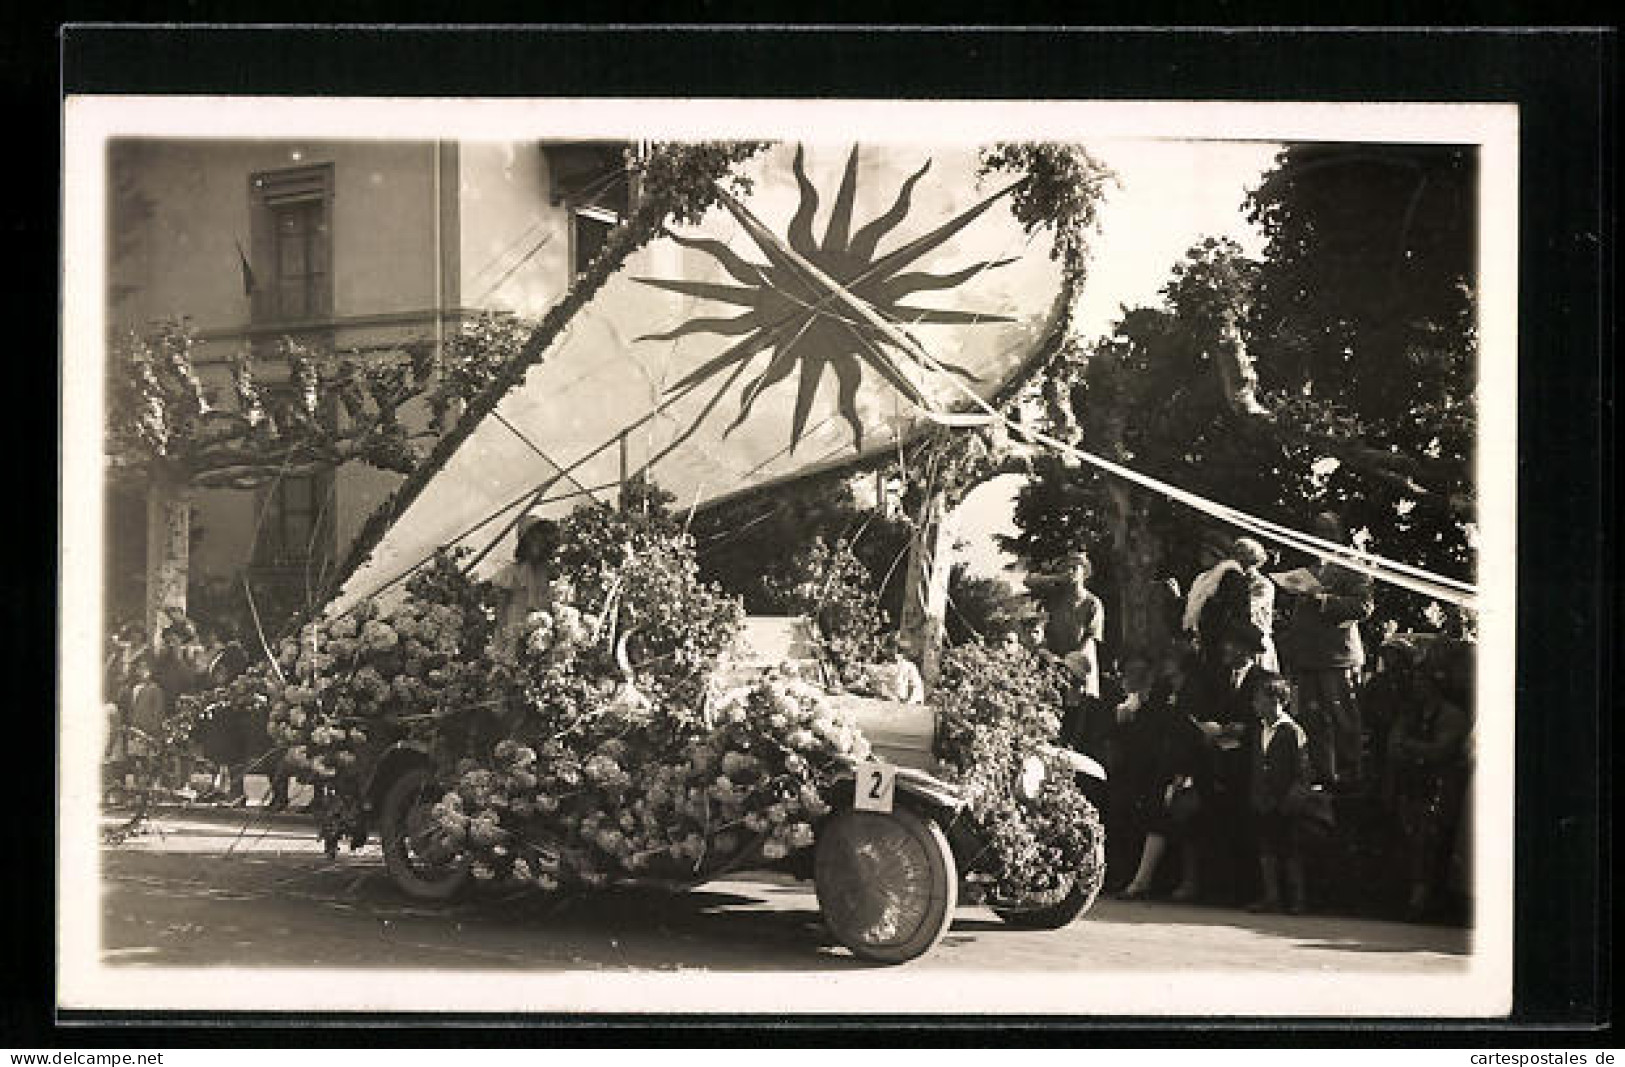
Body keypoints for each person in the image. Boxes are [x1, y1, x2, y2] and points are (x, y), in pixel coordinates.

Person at [1279, 512, 1375, 790]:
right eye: (1318, 532)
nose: (1322, 538)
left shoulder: (1353, 566)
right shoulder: (1310, 568)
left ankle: (1350, 777)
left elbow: (1363, 607)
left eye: (1328, 532)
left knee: (1343, 718)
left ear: (1339, 535)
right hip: (1308, 657)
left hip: (1337, 658)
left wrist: (1322, 600)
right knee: (1312, 718)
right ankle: (1324, 775)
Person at [1384, 638, 1473, 920]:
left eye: (1423, 681)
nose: (1417, 686)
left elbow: (1440, 752)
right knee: (1412, 846)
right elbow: (1393, 747)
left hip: (1440, 790)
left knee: (1433, 846)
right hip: (1413, 788)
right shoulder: (1411, 713)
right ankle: (1413, 899)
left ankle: (1426, 903)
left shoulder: (1452, 716)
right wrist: (1413, 749)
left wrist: (1410, 748)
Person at [1114, 647, 1208, 901]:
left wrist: (1183, 772)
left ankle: (1146, 881)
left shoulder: (1191, 694)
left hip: (1181, 768)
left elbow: (1188, 734)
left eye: (1170, 660)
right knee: (1160, 819)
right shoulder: (1165, 692)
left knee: (1169, 821)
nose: (1165, 664)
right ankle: (1144, 880)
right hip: (1162, 766)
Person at [1242, 669, 1314, 914]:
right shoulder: (1259, 730)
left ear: (1275, 701)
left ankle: (1297, 899)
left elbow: (1303, 772)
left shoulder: (1292, 731)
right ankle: (1271, 897)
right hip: (1263, 802)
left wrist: (1291, 800)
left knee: (1290, 851)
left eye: (1259, 699)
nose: (1254, 704)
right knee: (1266, 850)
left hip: (1285, 803)